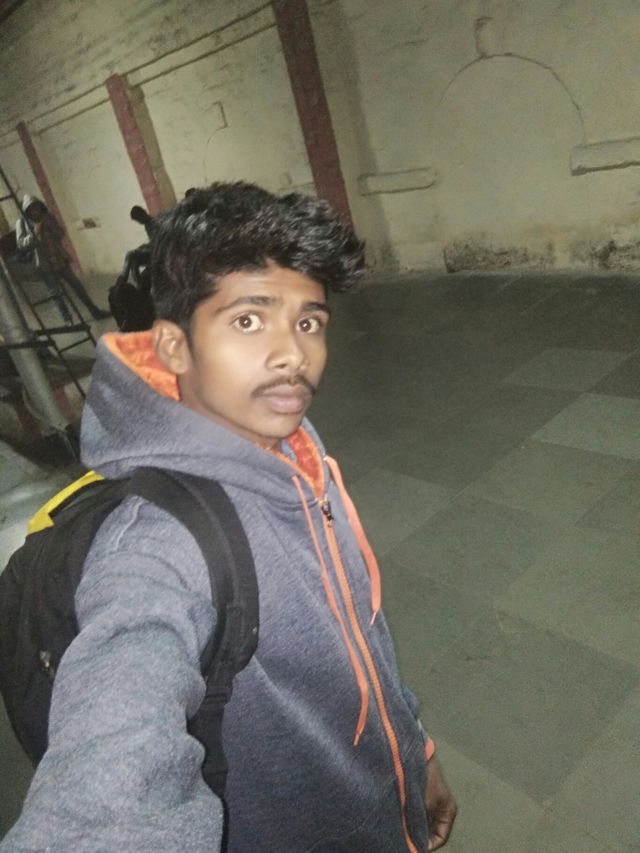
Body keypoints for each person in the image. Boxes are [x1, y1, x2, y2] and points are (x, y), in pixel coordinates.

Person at [1, 182, 457, 852]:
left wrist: (414, 751)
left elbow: (359, 635)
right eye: (248, 320)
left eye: (309, 322)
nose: (293, 354)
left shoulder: (294, 450)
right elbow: (113, 768)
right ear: (173, 346)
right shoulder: (155, 547)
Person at [15, 195, 110, 323]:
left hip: (59, 258)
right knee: (55, 293)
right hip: (43, 264)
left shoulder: (47, 217)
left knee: (77, 286)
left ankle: (94, 311)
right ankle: (67, 320)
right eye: (31, 209)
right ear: (27, 210)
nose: (35, 211)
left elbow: (60, 233)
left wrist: (50, 227)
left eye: (36, 207)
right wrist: (34, 234)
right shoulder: (22, 222)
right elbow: (21, 244)